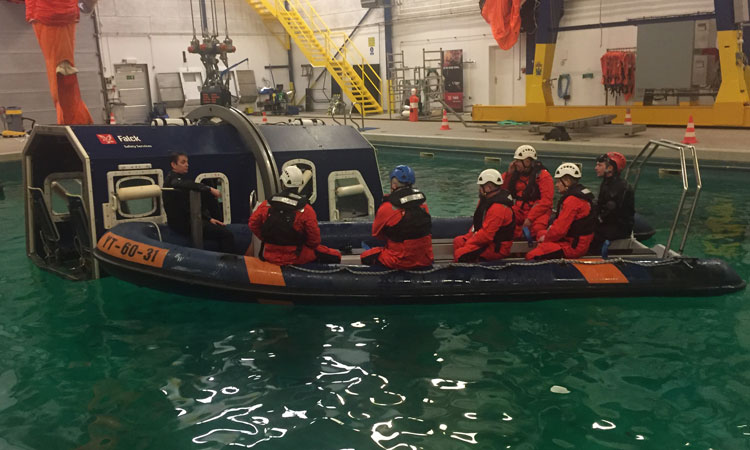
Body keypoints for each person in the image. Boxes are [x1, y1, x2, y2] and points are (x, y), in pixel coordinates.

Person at [249, 165, 341, 265]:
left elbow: (253, 224)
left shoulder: (267, 205)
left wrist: (267, 239)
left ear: (282, 182)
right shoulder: (305, 210)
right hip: (296, 256)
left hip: (269, 255)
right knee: (335, 255)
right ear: (300, 183)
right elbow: (314, 240)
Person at [360, 165, 433, 269]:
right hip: (425, 258)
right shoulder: (422, 204)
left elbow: (376, 234)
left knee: (366, 256)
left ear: (394, 185)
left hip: (400, 260)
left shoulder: (387, 207)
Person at [163, 152, 235, 252]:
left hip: (185, 221)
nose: (186, 165)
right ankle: (229, 264)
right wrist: (209, 188)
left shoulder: (177, 179)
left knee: (221, 230)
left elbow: (187, 206)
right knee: (227, 235)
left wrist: (208, 219)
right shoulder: (174, 180)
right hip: (183, 225)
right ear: (174, 165)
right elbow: (181, 184)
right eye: (183, 162)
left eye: (187, 162)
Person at [526, 163, 595, 260]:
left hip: (573, 246)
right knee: (540, 233)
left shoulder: (572, 200)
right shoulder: (580, 196)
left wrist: (546, 239)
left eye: (558, 181)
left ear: (567, 181)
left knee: (532, 256)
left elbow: (559, 230)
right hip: (575, 240)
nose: (556, 185)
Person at [453, 169, 515, 262]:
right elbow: (477, 225)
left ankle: (467, 274)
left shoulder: (498, 208)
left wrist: (469, 243)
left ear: (488, 188)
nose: (479, 189)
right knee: (458, 241)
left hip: (496, 247)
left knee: (460, 254)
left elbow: (486, 236)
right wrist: (469, 237)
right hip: (487, 242)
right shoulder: (486, 201)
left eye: (481, 186)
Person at [501, 144, 554, 239]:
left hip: (539, 211)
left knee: (537, 229)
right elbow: (502, 191)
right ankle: (518, 235)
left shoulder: (543, 176)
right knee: (502, 217)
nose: (515, 163)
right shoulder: (515, 173)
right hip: (520, 209)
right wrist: (509, 174)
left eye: (518, 161)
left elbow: (546, 202)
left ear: (527, 161)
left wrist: (530, 218)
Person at [592, 152, 635, 252]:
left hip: (618, 228)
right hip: (612, 224)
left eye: (599, 165)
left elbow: (608, 213)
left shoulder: (619, 187)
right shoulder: (607, 183)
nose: (596, 168)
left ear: (610, 168)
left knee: (585, 233)